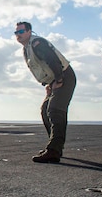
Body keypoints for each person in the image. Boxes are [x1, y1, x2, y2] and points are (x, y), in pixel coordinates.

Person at [14, 22, 76, 163]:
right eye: (16, 32)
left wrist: (59, 79)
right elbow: (41, 68)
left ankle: (53, 150)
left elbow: (53, 60)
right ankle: (54, 146)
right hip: (53, 80)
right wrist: (48, 84)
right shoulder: (27, 48)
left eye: (21, 31)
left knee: (55, 109)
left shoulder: (37, 43)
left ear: (29, 31)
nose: (18, 35)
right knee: (45, 110)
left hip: (64, 76)